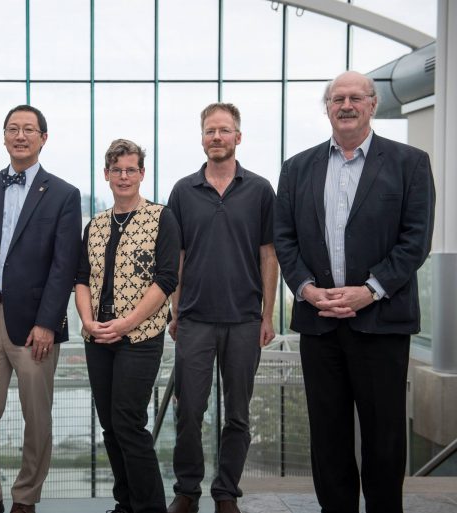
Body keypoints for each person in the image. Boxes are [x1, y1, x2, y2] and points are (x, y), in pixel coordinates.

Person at [274, 71, 435, 513]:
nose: (346, 105)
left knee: (384, 435)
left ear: (372, 104)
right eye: (337, 98)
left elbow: (415, 240)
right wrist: (306, 288)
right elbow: (283, 238)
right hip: (319, 323)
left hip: (381, 323)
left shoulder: (410, 163)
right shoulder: (297, 167)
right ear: (327, 107)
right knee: (328, 434)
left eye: (355, 98)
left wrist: (370, 290)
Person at [0, 105, 82, 513]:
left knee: (37, 417)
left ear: (43, 138)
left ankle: (26, 498)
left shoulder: (64, 194)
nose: (20, 135)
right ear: (4, 136)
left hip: (35, 325)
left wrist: (48, 322)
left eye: (29, 129)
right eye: (13, 128)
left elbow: (64, 265)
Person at [166, 103, 278, 513]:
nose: (217, 137)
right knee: (189, 411)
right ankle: (187, 490)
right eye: (210, 130)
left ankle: (227, 492)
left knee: (237, 415)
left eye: (225, 130)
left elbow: (270, 256)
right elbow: (175, 257)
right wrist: (176, 312)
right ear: (202, 138)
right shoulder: (182, 191)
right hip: (194, 319)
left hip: (245, 320)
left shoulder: (261, 189)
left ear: (238, 137)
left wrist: (267, 316)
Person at [75, 139, 180, 513]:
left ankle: (150, 508)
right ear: (106, 175)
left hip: (140, 336)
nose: (123, 176)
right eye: (116, 170)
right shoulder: (96, 224)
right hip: (97, 337)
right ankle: (125, 504)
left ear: (142, 174)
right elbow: (82, 279)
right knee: (110, 426)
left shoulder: (161, 218)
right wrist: (88, 321)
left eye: (130, 169)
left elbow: (167, 279)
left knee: (129, 423)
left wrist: (127, 323)